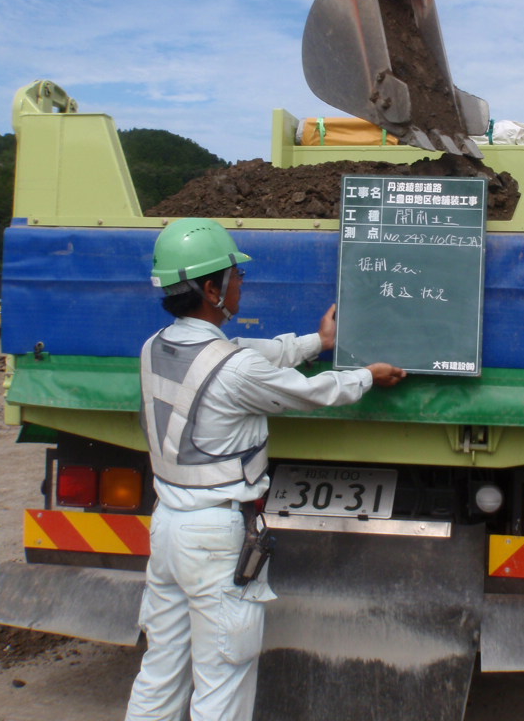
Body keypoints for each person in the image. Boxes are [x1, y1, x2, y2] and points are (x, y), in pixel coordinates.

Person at [124, 217, 406, 721]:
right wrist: (368, 374)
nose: (242, 283)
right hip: (214, 537)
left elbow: (256, 354)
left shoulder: (154, 348)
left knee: (161, 671)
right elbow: (313, 393)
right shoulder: (234, 368)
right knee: (222, 679)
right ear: (212, 289)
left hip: (167, 527)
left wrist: (318, 342)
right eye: (235, 275)